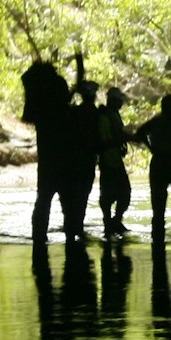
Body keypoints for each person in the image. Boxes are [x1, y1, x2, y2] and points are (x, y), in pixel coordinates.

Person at [21, 60, 73, 243]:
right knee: (67, 200)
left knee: (43, 199)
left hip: (46, 157)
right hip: (64, 154)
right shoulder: (57, 84)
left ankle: (39, 237)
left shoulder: (38, 99)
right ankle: (71, 238)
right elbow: (65, 106)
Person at [135, 93, 171, 242]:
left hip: (160, 161)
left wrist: (151, 148)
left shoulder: (156, 122)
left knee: (158, 202)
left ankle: (158, 236)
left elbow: (139, 133)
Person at [63, 64, 101, 239]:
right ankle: (76, 226)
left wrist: (74, 89)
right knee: (82, 195)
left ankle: (72, 226)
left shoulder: (73, 112)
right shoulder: (96, 113)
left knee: (72, 196)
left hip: (72, 160)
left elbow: (64, 105)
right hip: (86, 159)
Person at [96, 86, 133, 238]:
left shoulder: (113, 115)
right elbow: (104, 141)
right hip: (108, 161)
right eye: (120, 101)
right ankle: (110, 222)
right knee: (115, 194)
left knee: (120, 193)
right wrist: (122, 140)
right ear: (114, 101)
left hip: (114, 160)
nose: (122, 103)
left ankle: (114, 221)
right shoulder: (104, 117)